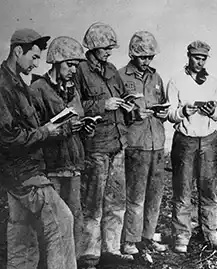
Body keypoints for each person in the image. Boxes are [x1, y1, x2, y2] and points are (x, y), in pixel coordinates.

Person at [0, 29, 77, 269]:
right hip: (24, 173)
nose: (37, 62)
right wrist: (46, 131)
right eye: (34, 57)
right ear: (18, 51)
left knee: (22, 237)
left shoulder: (17, 84)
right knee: (63, 222)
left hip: (16, 176)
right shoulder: (4, 87)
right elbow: (9, 138)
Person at [74, 22, 134, 268]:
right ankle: (89, 254)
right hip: (96, 146)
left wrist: (128, 107)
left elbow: (119, 99)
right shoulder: (79, 70)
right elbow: (73, 107)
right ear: (95, 46)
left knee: (116, 201)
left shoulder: (111, 70)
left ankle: (112, 249)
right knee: (92, 202)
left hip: (118, 144)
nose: (110, 52)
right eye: (107, 47)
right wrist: (101, 106)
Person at [30, 36, 95, 263]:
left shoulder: (73, 90)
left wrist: (85, 128)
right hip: (52, 166)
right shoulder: (38, 89)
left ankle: (72, 263)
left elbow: (77, 119)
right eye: (69, 64)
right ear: (56, 62)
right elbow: (35, 132)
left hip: (73, 164)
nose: (73, 70)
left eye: (76, 65)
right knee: (53, 222)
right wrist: (66, 128)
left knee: (75, 218)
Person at [167, 40, 217, 253]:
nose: (200, 62)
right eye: (196, 58)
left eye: (203, 59)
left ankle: (210, 233)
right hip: (185, 139)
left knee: (208, 189)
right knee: (183, 189)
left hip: (209, 139)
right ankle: (181, 236)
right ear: (189, 56)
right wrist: (184, 111)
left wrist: (212, 110)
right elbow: (169, 113)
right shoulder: (176, 81)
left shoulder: (214, 83)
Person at [118, 31, 168, 256]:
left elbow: (163, 105)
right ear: (132, 55)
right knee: (136, 196)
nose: (147, 61)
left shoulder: (156, 78)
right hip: (136, 144)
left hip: (157, 143)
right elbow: (117, 115)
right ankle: (130, 240)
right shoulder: (120, 77)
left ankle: (148, 237)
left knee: (155, 195)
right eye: (142, 57)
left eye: (150, 57)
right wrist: (133, 116)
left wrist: (164, 113)